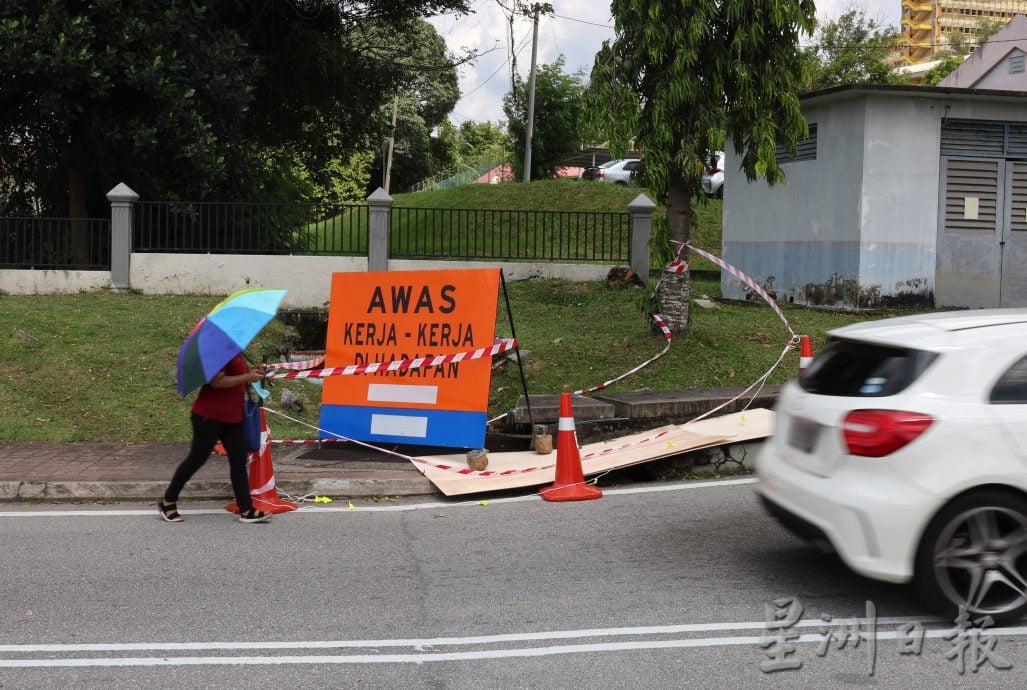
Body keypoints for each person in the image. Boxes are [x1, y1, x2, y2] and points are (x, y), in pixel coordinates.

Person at [160, 354, 271, 523]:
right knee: (196, 459)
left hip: (233, 417)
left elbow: (237, 379)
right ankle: (168, 500)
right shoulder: (219, 352)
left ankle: (246, 509)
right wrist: (248, 376)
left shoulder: (237, 352)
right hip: (209, 416)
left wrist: (253, 374)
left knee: (239, 461)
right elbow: (217, 382)